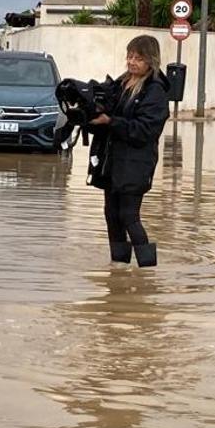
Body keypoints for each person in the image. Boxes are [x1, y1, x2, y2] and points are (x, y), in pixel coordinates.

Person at [88, 35, 170, 268]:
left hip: (136, 164)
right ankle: (119, 266)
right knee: (111, 215)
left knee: (128, 216)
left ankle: (147, 269)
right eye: (130, 56)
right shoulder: (121, 83)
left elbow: (145, 130)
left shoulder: (155, 91)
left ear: (151, 61)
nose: (132, 62)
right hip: (112, 162)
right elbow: (104, 108)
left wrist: (111, 122)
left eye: (139, 58)